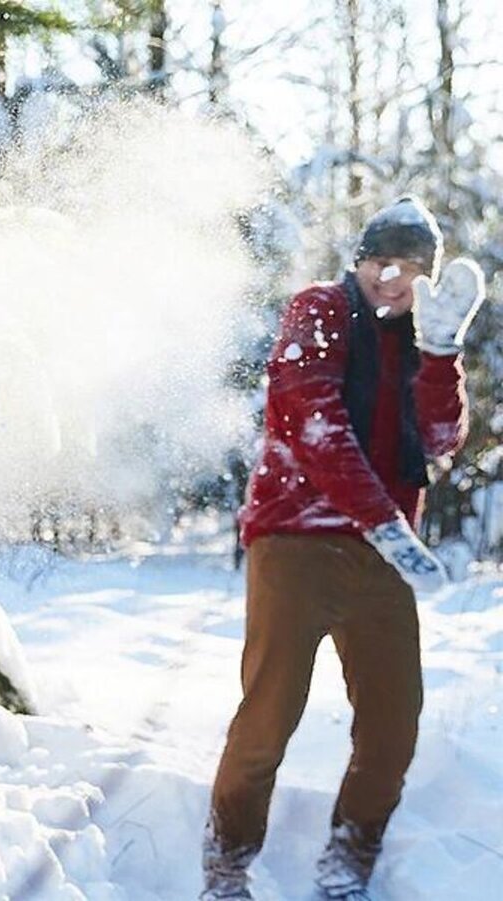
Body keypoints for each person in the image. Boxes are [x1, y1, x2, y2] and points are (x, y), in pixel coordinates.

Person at [201, 197, 486, 900]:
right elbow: (313, 419)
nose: (392, 279)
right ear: (358, 260)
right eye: (380, 262)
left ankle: (347, 861)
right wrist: (386, 521)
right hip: (296, 539)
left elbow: (440, 442)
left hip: (381, 553)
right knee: (269, 715)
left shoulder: (420, 337)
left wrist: (443, 356)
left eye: (411, 269)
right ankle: (228, 860)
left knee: (394, 724)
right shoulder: (317, 310)